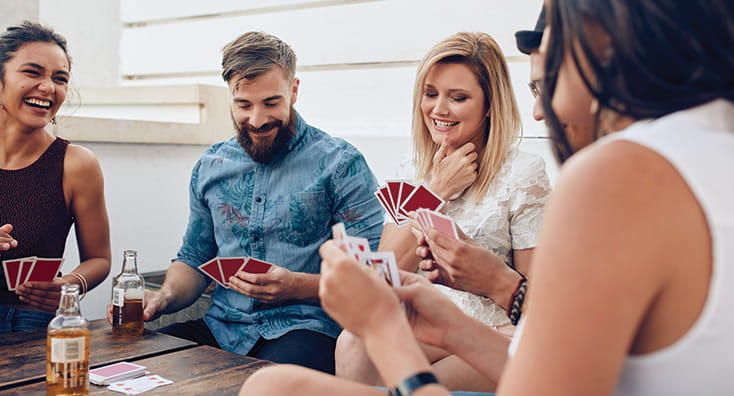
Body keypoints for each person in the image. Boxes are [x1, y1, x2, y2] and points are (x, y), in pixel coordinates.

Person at [239, 0, 734, 395]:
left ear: (602, 39)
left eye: (545, 59)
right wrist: (448, 323)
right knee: (276, 385)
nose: (539, 107)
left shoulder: (622, 173)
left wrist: (385, 328)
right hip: (489, 334)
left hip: (488, 334)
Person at [120, 31, 384, 374]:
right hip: (220, 328)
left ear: (294, 90)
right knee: (128, 369)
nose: (257, 120)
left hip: (307, 330)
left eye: (271, 103)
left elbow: (373, 273)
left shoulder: (341, 164)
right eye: (243, 105)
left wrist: (298, 286)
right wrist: (164, 298)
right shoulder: (211, 165)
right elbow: (195, 258)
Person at [335, 31, 551, 392]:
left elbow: (536, 298)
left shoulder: (523, 173)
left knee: (417, 385)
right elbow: (385, 269)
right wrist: (435, 190)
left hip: (494, 329)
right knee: (352, 342)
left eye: (458, 97)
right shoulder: (412, 169)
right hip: (427, 318)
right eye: (431, 94)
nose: (438, 110)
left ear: (489, 105)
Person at [0, 21, 111, 333]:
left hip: (33, 323)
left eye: (60, 78)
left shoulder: (77, 164)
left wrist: (69, 285)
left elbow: (99, 259)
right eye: (33, 72)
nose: (49, 87)